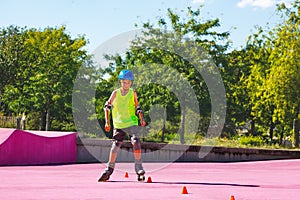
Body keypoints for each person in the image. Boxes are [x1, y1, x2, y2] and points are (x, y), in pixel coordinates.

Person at [98, 69, 146, 182]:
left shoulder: (132, 93)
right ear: (120, 82)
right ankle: (109, 169)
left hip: (132, 122)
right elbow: (107, 106)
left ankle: (139, 167)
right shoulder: (115, 93)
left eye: (128, 82)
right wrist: (107, 122)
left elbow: (137, 107)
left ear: (131, 83)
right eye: (124, 82)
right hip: (119, 123)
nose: (126, 84)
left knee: (136, 142)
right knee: (116, 144)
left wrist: (141, 119)